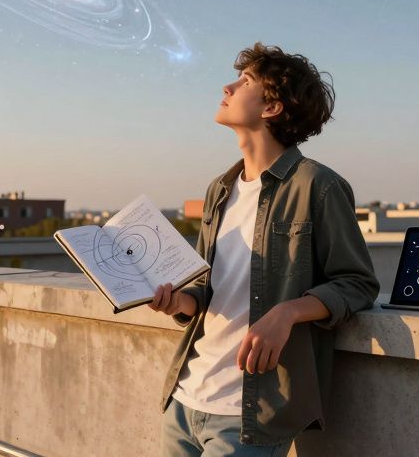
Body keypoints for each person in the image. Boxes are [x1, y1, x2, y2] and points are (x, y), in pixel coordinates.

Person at [148, 42, 379, 456]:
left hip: (249, 416)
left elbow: (358, 283)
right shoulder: (219, 189)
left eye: (246, 81)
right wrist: (179, 301)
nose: (229, 86)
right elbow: (207, 287)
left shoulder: (318, 186)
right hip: (183, 399)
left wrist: (288, 312)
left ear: (271, 108)